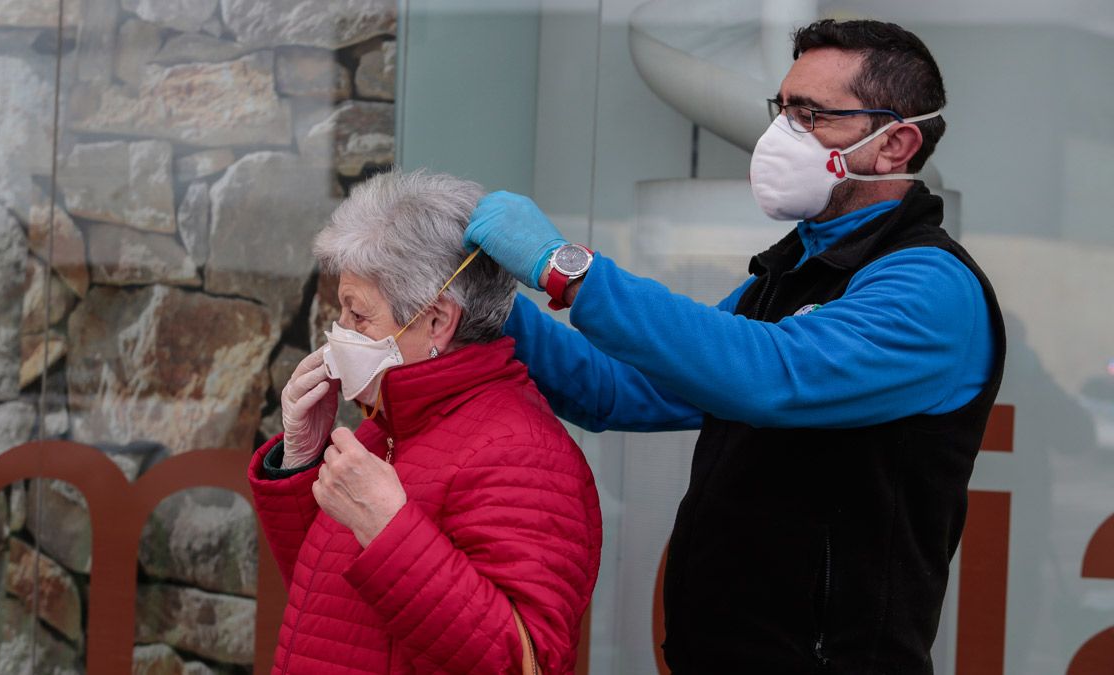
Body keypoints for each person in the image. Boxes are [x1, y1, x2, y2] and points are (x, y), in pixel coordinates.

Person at [463, 19, 1006, 674]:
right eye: (782, 108)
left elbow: (771, 374)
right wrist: (488, 306)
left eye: (812, 114)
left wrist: (565, 268)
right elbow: (614, 386)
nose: (781, 134)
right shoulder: (789, 275)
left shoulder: (929, 286)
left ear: (896, 144)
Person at [249, 170, 603, 674]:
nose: (339, 334)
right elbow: (331, 609)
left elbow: (526, 661)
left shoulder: (523, 451)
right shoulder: (387, 428)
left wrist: (390, 530)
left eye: (358, 315)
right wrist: (301, 461)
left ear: (437, 320)